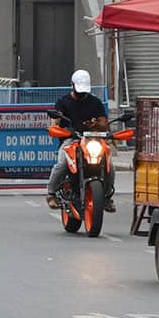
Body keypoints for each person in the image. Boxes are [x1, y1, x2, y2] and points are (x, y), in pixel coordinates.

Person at [46, 69, 115, 212]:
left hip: (92, 140)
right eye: (79, 90)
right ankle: (51, 193)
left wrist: (96, 124)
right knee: (62, 164)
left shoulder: (95, 103)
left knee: (109, 166)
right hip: (71, 141)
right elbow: (54, 124)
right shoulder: (62, 102)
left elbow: (104, 123)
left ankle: (107, 197)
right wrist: (61, 130)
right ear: (72, 85)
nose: (81, 93)